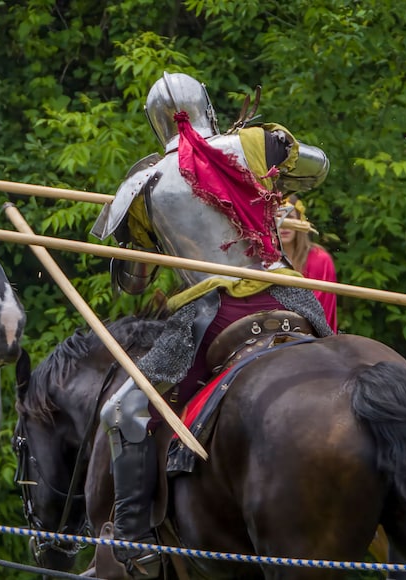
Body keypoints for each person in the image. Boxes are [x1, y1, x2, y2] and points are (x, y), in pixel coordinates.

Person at [88, 72, 332, 579]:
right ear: (209, 106)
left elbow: (132, 284)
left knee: (124, 411)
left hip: (209, 316)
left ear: (155, 124)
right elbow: (317, 168)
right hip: (290, 299)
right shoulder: (254, 144)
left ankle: (134, 544)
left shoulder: (143, 183)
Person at [278, 194, 338, 332]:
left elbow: (319, 308)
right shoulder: (264, 258)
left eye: (290, 218)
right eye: (278, 218)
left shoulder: (319, 259)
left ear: (300, 222)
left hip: (310, 333)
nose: (284, 225)